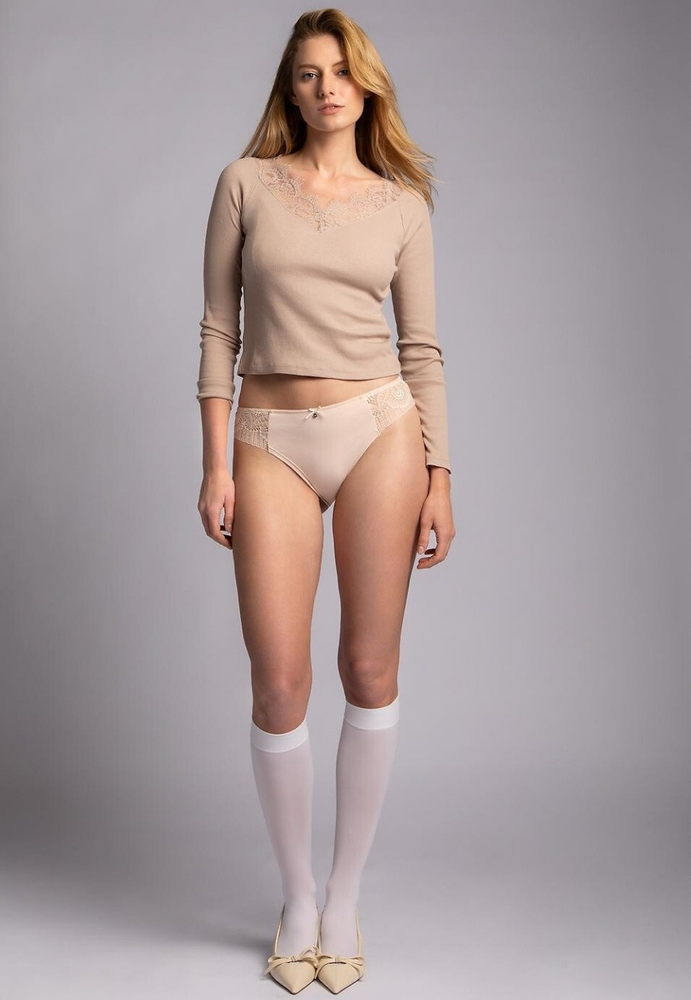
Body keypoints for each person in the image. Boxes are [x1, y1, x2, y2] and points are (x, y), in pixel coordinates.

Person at [196, 8, 455, 993]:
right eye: (307, 73)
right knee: (279, 682)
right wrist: (214, 464)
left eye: (341, 70)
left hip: (380, 430)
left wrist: (441, 473)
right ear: (290, 89)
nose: (326, 86)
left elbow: (421, 350)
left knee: (369, 665)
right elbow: (217, 331)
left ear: (366, 84)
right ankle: (297, 895)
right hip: (268, 438)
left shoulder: (402, 203)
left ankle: (344, 895)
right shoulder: (243, 183)